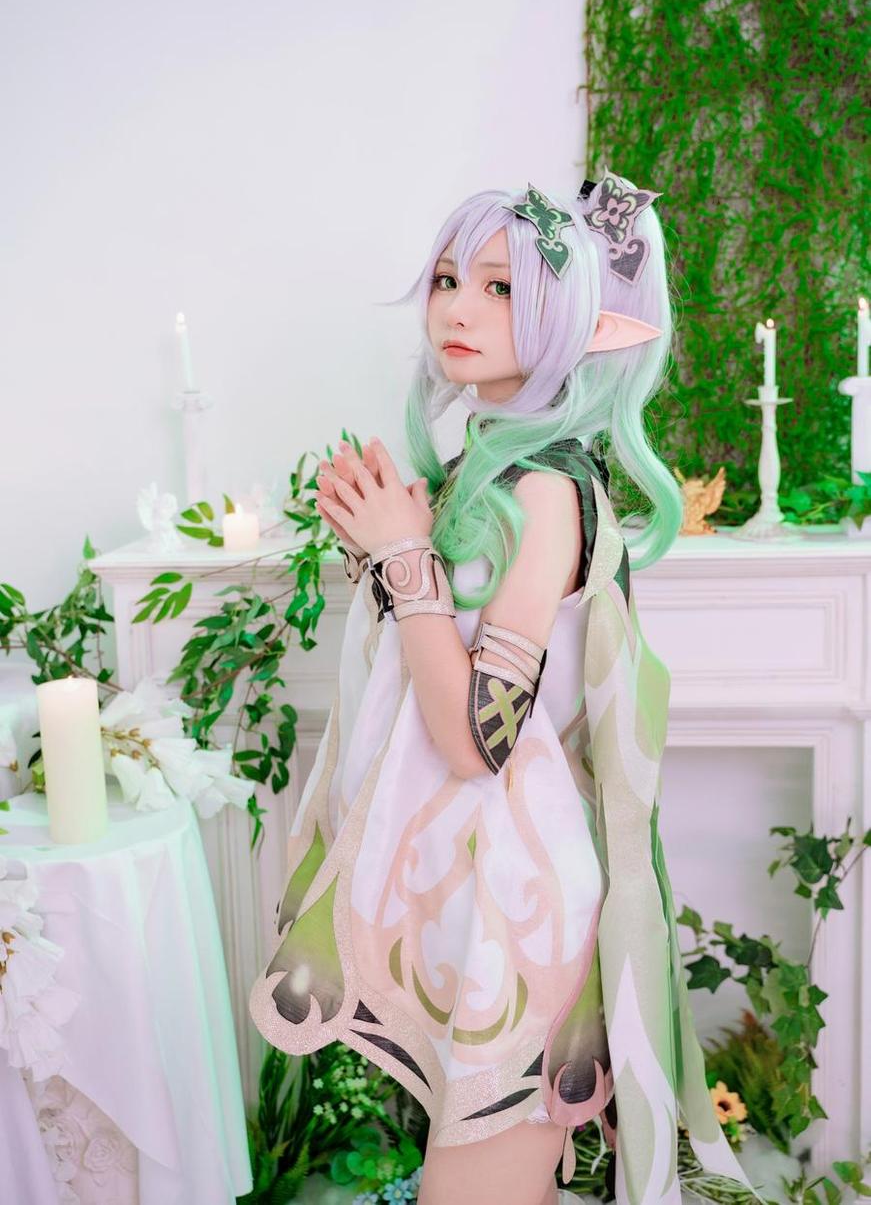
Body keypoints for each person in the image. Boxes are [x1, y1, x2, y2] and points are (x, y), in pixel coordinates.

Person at [249, 174, 762, 1205]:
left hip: (515, 905)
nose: (457, 308)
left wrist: (405, 560)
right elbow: (432, 661)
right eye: (448, 279)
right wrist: (388, 545)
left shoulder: (547, 487)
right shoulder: (484, 468)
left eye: (500, 287)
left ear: (569, 317)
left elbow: (475, 739)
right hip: (476, 889)